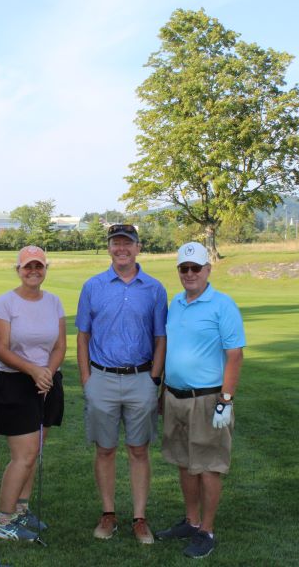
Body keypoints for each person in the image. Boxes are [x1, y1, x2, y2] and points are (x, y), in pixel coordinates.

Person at [76, 223, 167, 544]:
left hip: (141, 378)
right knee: (105, 449)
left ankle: (140, 518)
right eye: (116, 243)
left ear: (138, 247)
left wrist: (154, 378)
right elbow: (83, 335)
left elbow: (160, 338)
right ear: (109, 248)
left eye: (127, 243)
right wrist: (87, 379)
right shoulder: (93, 286)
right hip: (101, 377)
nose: (121, 249)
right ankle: (108, 513)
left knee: (139, 450)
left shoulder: (154, 289)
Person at [155, 242, 245, 559]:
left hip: (208, 399)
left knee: (208, 466)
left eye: (196, 268)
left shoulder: (223, 305)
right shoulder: (176, 304)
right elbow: (172, 352)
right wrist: (163, 392)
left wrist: (226, 399)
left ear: (208, 270)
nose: (190, 274)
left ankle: (206, 530)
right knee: (184, 462)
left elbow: (235, 356)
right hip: (175, 396)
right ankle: (191, 521)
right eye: (184, 268)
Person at [0, 246, 67, 542]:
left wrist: (47, 371)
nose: (33, 271)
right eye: (27, 266)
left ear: (46, 268)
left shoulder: (54, 302)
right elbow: (2, 349)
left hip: (46, 380)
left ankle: (22, 510)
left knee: (34, 453)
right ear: (18, 270)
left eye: (39, 266)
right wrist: (34, 371)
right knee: (23, 456)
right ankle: (4, 520)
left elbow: (60, 345)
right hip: (14, 382)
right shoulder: (5, 303)